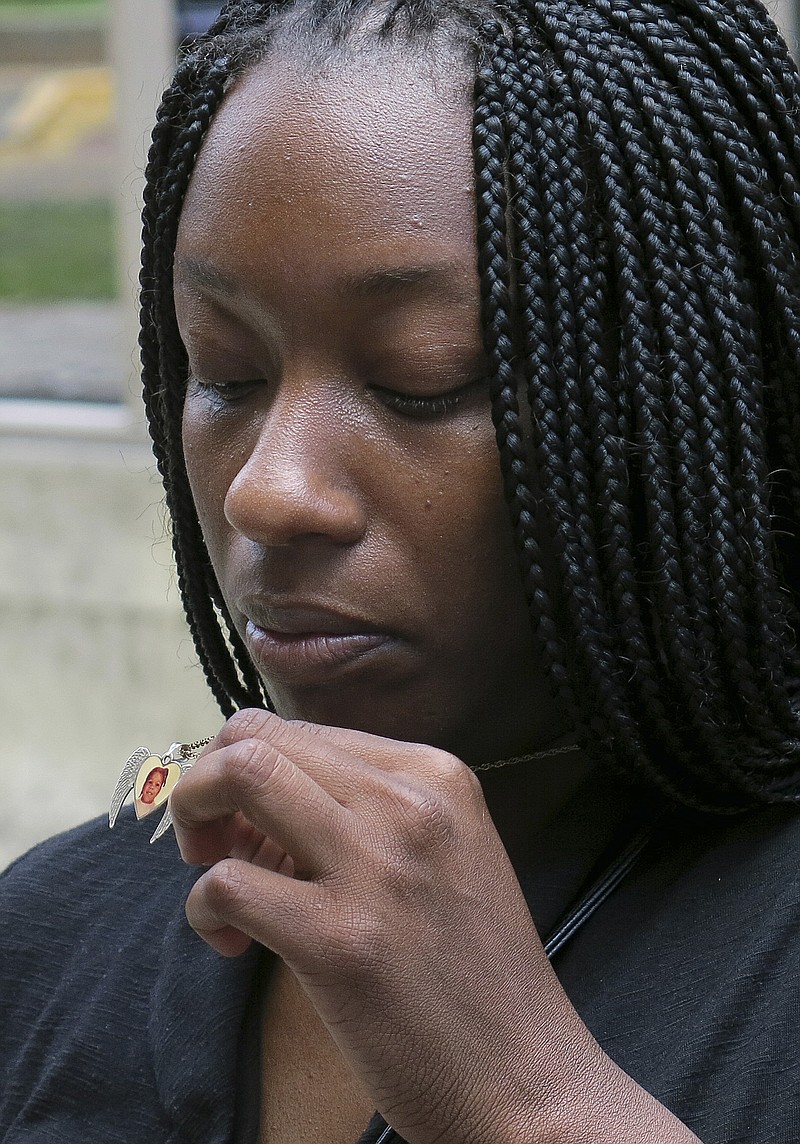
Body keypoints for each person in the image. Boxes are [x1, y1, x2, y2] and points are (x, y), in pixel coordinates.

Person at [2, 0, 800, 1140]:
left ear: (685, 393)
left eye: (419, 380)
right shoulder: (50, 936)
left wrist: (523, 1100)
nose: (266, 490)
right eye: (224, 371)